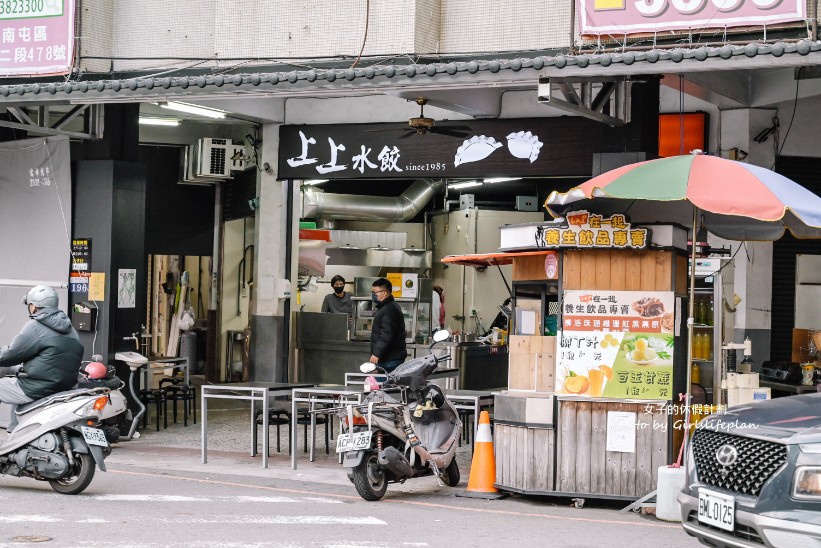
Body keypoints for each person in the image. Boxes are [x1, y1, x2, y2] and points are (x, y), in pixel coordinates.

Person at [0, 286, 85, 408]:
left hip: (38, 387)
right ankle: (14, 426)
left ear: (33, 306)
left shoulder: (35, 326)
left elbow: (10, 355)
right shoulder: (71, 329)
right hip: (63, 387)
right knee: (16, 381)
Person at [369, 278, 407, 372]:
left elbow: (386, 334)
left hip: (390, 359)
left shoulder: (389, 309)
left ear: (385, 293)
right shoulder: (386, 307)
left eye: (375, 292)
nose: (373, 295)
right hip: (388, 357)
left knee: (386, 385)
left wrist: (377, 353)